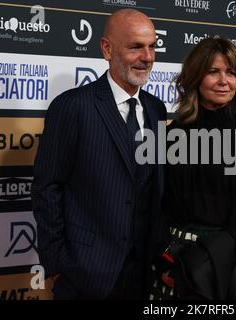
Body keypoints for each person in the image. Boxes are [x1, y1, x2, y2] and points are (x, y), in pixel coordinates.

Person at [32, 9, 166, 299]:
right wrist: (57, 265)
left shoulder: (157, 110)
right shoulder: (73, 107)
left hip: (142, 275)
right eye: (135, 47)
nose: (147, 57)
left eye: (152, 46)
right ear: (107, 48)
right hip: (84, 275)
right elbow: (47, 188)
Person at [150, 37, 236, 300]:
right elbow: (157, 204)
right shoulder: (172, 134)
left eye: (231, 73)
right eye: (213, 72)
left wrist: (198, 267)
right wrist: (164, 261)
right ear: (195, 77)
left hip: (228, 266)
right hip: (173, 264)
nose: (223, 81)